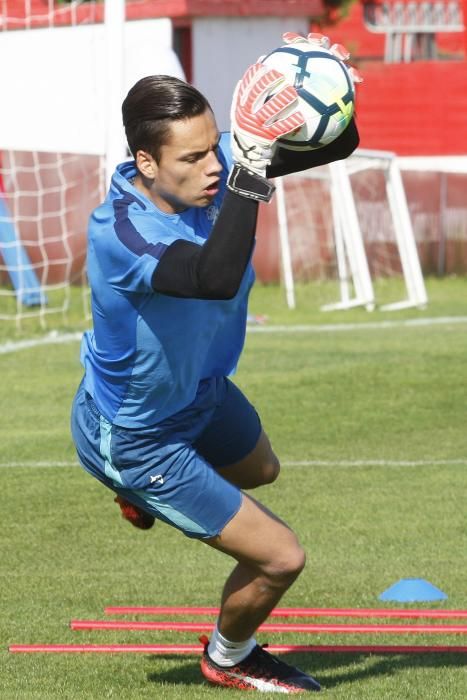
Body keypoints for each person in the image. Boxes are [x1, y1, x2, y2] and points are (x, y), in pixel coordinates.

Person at [71, 32, 360, 694]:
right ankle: (229, 656)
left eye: (216, 146)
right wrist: (249, 174)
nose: (214, 165)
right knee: (280, 557)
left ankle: (139, 498)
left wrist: (326, 88)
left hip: (200, 392)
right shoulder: (121, 231)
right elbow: (212, 276)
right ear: (146, 162)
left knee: (261, 470)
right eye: (194, 156)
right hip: (138, 436)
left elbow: (336, 143)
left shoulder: (216, 168)